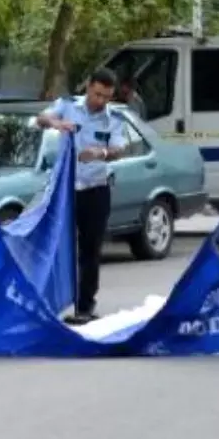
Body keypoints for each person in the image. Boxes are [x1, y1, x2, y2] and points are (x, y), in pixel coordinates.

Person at [36, 68, 128, 325]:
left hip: (96, 189)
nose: (101, 101)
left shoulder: (115, 118)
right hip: (66, 190)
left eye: (106, 97)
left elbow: (120, 148)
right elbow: (41, 119)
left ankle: (85, 306)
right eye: (97, 94)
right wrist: (57, 124)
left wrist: (101, 153)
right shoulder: (67, 106)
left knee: (91, 250)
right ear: (88, 87)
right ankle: (49, 304)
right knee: (58, 245)